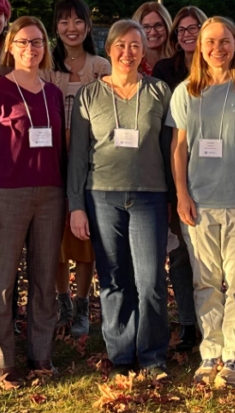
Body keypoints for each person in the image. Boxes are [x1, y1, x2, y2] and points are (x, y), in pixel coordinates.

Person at [169, 16, 235, 387]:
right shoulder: (186, 92)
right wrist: (182, 193)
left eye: (225, 41)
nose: (218, 48)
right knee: (206, 282)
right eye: (210, 41)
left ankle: (234, 356)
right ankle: (210, 353)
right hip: (199, 204)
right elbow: (179, 147)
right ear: (200, 47)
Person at [68, 20, 173, 375]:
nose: (127, 53)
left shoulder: (160, 92)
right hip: (102, 196)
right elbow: (78, 157)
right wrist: (76, 206)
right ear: (109, 48)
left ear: (144, 51)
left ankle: (154, 353)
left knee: (151, 280)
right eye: (120, 45)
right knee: (114, 278)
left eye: (135, 46)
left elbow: (169, 150)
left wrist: (175, 199)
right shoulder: (89, 95)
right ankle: (122, 354)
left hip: (150, 196)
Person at [0, 16, 66, 387]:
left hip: (51, 195)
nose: (31, 49)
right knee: (0, 280)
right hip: (6, 195)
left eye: (38, 42)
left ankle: (40, 354)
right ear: (9, 46)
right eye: (23, 42)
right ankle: (1, 362)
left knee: (45, 278)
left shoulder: (53, 93)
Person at [44, 0, 111, 338]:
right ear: (55, 27)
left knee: (84, 237)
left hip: (92, 161)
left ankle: (84, 304)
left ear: (87, 25)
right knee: (55, 237)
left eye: (78, 21)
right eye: (64, 21)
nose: (71, 28)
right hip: (51, 161)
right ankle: (63, 301)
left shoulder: (100, 66)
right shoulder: (46, 67)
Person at [149, 4, 206, 354]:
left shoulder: (221, 69)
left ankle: (215, 323)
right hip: (175, 173)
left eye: (194, 28)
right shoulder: (164, 70)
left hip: (217, 173)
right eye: (182, 31)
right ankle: (188, 323)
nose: (188, 35)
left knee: (215, 258)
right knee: (182, 255)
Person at [150, 5, 204, 88]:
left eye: (192, 28)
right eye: (181, 30)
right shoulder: (163, 69)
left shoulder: (215, 67)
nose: (186, 34)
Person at [133, 1, 174, 75]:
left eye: (158, 25)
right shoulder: (130, 63)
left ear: (167, 26)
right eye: (146, 27)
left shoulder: (179, 61)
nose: (153, 32)